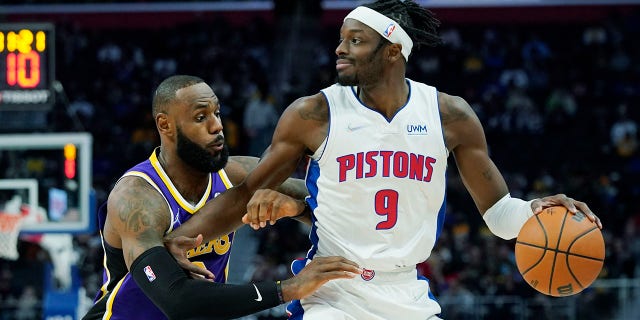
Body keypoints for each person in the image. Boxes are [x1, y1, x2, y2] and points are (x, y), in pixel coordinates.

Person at [164, 2, 603, 319]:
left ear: (393, 51)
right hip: (333, 290)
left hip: (407, 292)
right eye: (341, 40)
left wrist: (535, 211)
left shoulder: (449, 115)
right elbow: (243, 194)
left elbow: (499, 215)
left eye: (356, 41)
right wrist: (179, 243)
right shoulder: (313, 113)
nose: (341, 50)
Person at [82, 75, 361, 320]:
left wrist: (297, 208)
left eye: (217, 113)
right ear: (165, 125)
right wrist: (289, 288)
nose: (217, 126)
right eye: (201, 117)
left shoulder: (238, 174)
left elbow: (338, 206)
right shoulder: (137, 198)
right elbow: (177, 301)